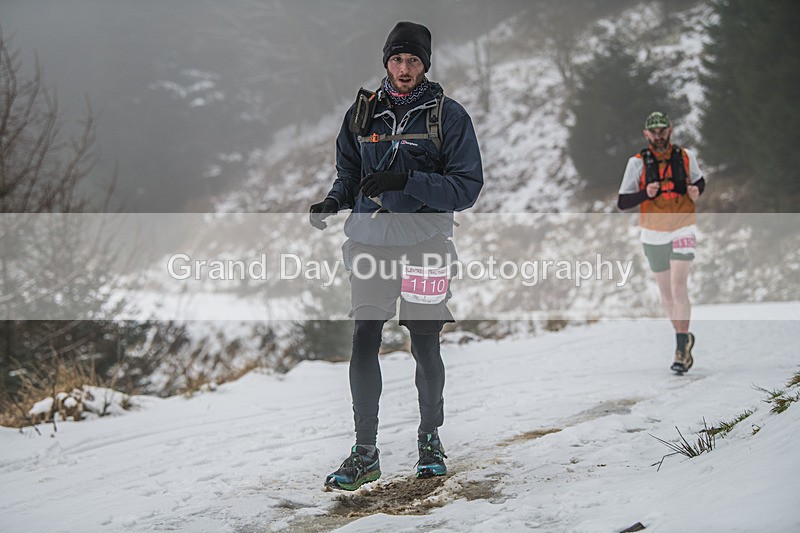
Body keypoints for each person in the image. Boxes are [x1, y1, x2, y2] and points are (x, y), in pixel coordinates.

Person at [309, 21, 483, 490]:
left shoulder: (448, 116)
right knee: (364, 336)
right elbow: (349, 173)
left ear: (425, 65)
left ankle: (430, 439)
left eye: (413, 60)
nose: (404, 69)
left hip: (427, 244)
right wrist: (333, 200)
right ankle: (365, 452)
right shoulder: (361, 113)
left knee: (424, 342)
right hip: (370, 241)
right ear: (386, 61)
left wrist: (406, 181)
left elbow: (466, 187)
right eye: (397, 59)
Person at [617, 111, 706, 374]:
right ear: (646, 134)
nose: (658, 136)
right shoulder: (636, 163)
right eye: (653, 132)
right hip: (653, 232)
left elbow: (699, 180)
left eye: (662, 131)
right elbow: (622, 202)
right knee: (666, 294)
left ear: (670, 130)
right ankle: (683, 338)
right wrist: (645, 193)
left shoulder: (686, 156)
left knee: (679, 287)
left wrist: (696, 190)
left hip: (683, 225)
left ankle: (680, 349)